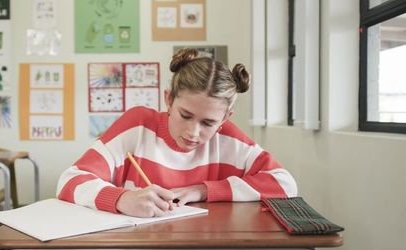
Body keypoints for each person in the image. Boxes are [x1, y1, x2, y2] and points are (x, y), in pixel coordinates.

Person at [56, 48, 298, 218]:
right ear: (168, 100)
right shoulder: (137, 124)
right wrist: (121, 199)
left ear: (225, 118)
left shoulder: (229, 139)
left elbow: (285, 184)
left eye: (208, 123)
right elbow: (69, 180)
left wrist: (204, 190)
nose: (193, 132)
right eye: (185, 115)